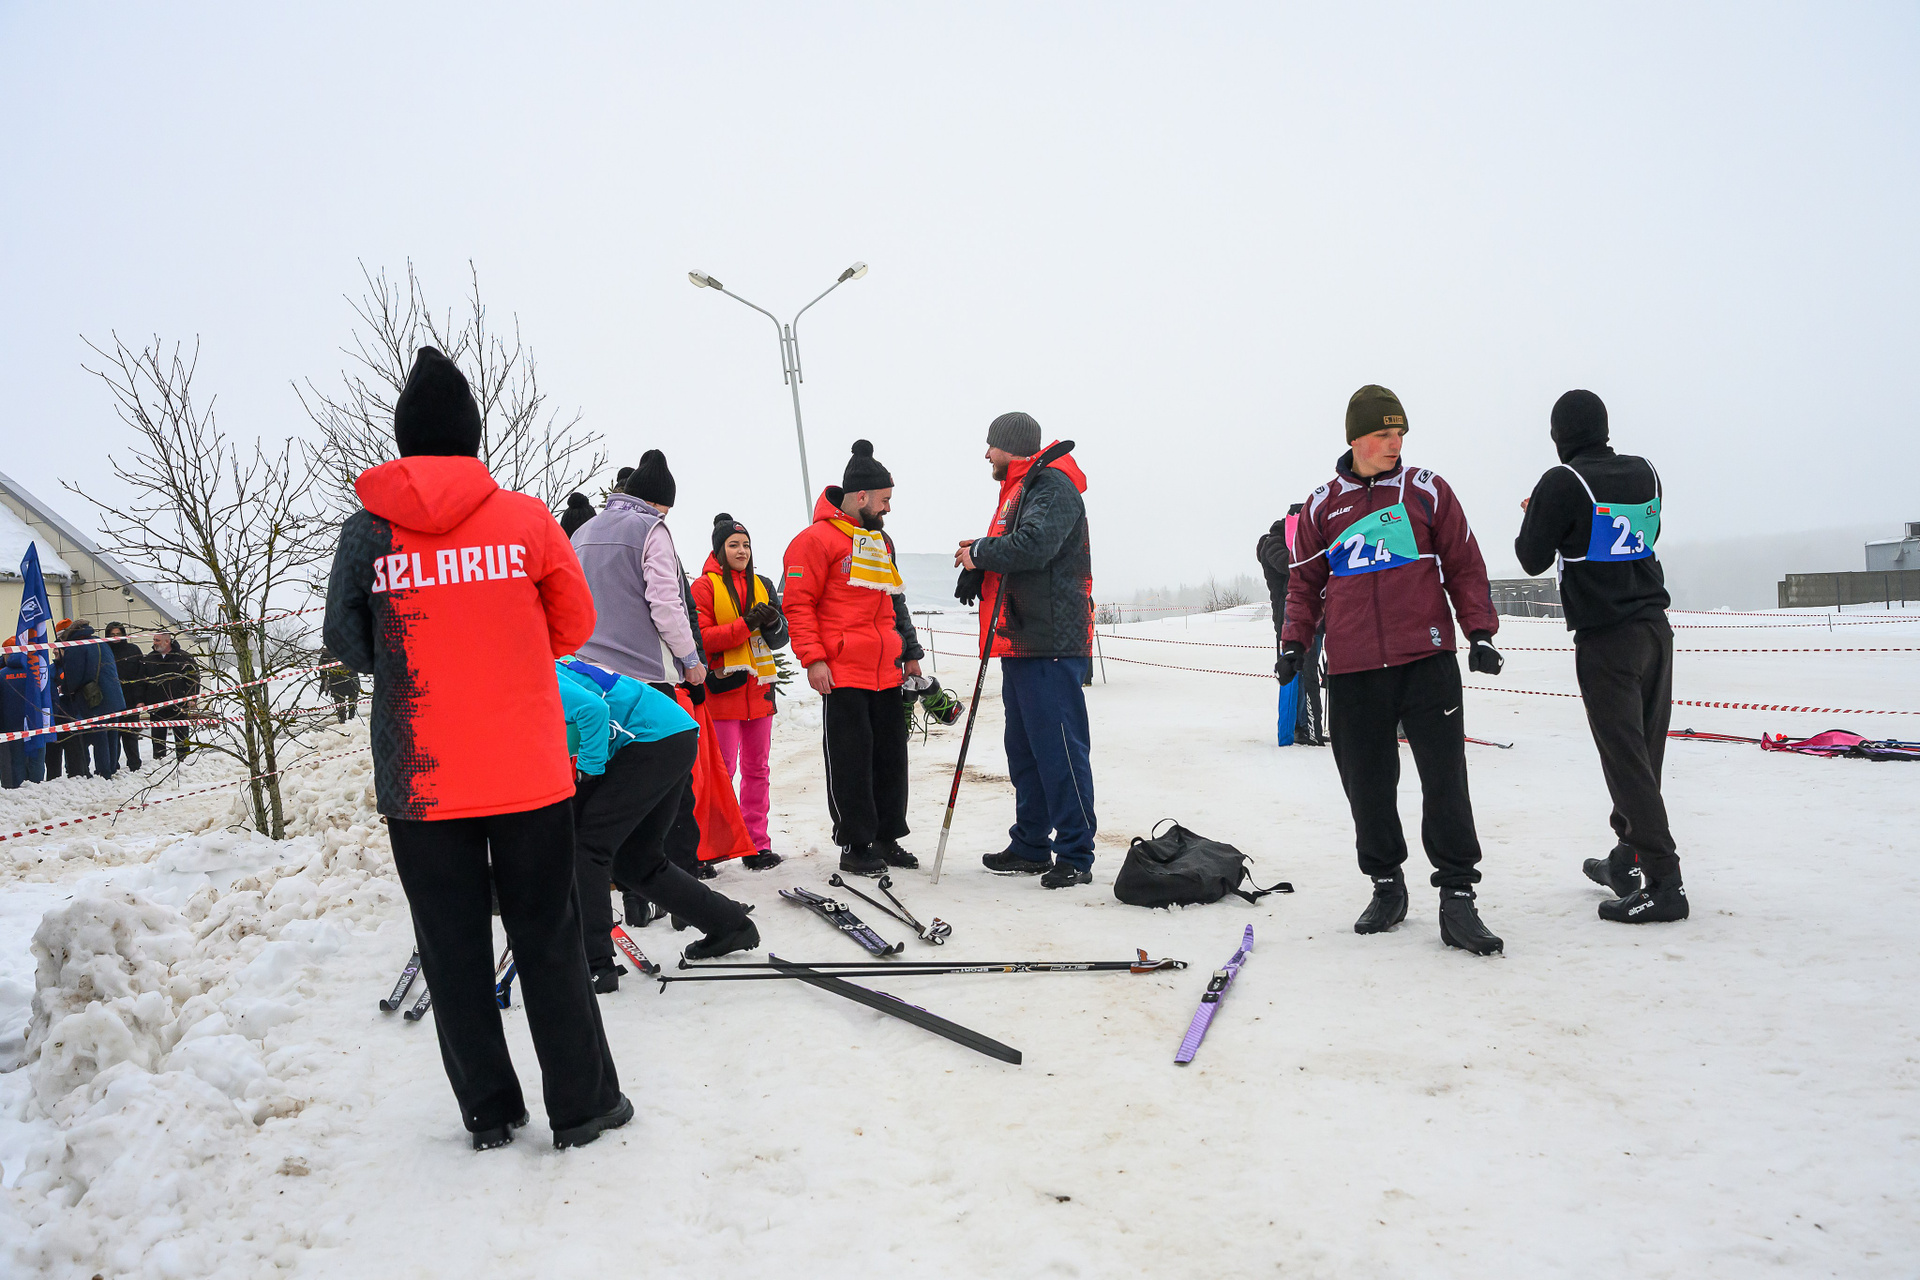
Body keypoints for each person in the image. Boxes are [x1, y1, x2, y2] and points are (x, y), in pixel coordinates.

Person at [323, 346, 629, 1152]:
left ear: (403, 438)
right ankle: (583, 1107)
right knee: (548, 935)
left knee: (451, 946)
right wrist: (506, 645)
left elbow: (345, 643)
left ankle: (489, 1112)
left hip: (419, 777)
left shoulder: (367, 532)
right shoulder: (525, 520)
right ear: (471, 435)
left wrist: (410, 651)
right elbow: (576, 624)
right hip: (526, 768)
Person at [1281, 385, 1507, 955]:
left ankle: (1458, 896)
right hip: (1354, 667)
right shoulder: (1321, 505)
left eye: (1400, 433)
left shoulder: (1427, 490)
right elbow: (1304, 584)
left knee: (1445, 780)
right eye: (1383, 434)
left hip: (1426, 660)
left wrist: (1479, 632)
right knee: (1367, 784)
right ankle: (1386, 885)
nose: (1394, 443)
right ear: (1355, 438)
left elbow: (1464, 564)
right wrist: (1294, 644)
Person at [1515, 389, 1685, 925]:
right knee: (1644, 756)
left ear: (1558, 436)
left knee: (1626, 762)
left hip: (1607, 639)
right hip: (1656, 630)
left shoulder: (1561, 482)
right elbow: (1643, 535)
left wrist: (1537, 514)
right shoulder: (1645, 471)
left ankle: (1665, 883)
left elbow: (1531, 558)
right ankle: (1626, 860)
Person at [953, 412, 1099, 890]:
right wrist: (982, 564)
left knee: (1058, 749)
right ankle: (1032, 843)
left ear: (1011, 446)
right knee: (1025, 750)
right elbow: (1017, 547)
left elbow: (1036, 545)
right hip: (1020, 639)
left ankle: (1075, 852)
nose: (986, 454)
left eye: (991, 445)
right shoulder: (1022, 487)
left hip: (1049, 640)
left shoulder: (1052, 484)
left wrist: (980, 553)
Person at [570, 449, 727, 887]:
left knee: (611, 786)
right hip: (643, 679)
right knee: (669, 789)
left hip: (589, 679)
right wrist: (690, 660)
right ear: (658, 502)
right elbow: (666, 603)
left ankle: (619, 886)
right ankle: (679, 881)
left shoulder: (583, 532)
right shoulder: (650, 529)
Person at [558, 656, 760, 992]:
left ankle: (595, 966)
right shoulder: (544, 666)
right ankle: (730, 926)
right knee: (636, 862)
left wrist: (589, 775)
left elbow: (593, 711)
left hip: (651, 739)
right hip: (670, 731)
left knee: (587, 847)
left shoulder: (532, 674)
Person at [782, 440, 926, 877]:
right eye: (884, 500)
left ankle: (886, 836)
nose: (888, 509)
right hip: (842, 671)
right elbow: (798, 605)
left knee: (890, 758)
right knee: (851, 761)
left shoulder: (880, 541)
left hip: (886, 669)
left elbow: (895, 601)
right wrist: (813, 659)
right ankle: (855, 843)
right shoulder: (813, 541)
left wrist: (911, 653)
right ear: (861, 497)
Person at [692, 513, 788, 870]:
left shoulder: (763, 584)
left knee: (757, 771)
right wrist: (746, 624)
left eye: (746, 544)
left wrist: (773, 623)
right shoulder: (704, 587)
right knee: (719, 774)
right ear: (719, 550)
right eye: (733, 545)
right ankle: (706, 849)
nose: (742, 551)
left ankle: (755, 844)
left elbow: (780, 639)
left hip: (759, 691)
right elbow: (702, 638)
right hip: (723, 694)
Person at [1256, 503, 1326, 746]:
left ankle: (1309, 725)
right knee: (1294, 674)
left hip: (1314, 619)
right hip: (1289, 621)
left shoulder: (1302, 543)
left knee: (1309, 676)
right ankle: (1296, 727)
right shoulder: (1273, 543)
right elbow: (1289, 565)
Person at [55, 620, 125, 780]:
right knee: (112, 734)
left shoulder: (76, 647)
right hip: (114, 695)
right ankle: (111, 768)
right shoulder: (100, 641)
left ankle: (103, 772)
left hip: (95, 697)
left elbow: (74, 676)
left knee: (99, 736)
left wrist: (64, 688)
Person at [1, 637, 49, 788]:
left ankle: (20, 788)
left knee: (17, 759)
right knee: (36, 757)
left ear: (7, 654)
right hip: (36, 722)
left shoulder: (2, 675)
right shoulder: (36, 671)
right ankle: (37, 787)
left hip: (11, 725)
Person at [146, 630, 198, 761]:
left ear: (167, 641)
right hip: (157, 705)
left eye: (157, 640)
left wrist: (192, 697)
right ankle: (159, 762)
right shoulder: (149, 659)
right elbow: (142, 681)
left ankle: (184, 762)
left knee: (182, 738)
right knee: (158, 739)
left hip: (179, 705)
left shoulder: (184, 658)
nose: (154, 643)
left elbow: (193, 679)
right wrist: (142, 700)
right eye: (154, 640)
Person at [102, 623, 146, 771]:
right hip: (111, 700)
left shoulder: (133, 650)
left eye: (118, 634)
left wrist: (140, 699)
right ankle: (113, 765)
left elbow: (141, 676)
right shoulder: (104, 651)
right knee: (113, 736)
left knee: (130, 735)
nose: (115, 637)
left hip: (131, 699)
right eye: (112, 635)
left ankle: (134, 764)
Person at [318, 646, 362, 721]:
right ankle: (345, 720)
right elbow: (322, 668)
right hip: (339, 682)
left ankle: (349, 719)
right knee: (342, 706)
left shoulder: (350, 648)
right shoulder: (328, 653)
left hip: (350, 681)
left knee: (350, 704)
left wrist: (324, 679)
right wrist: (324, 680)